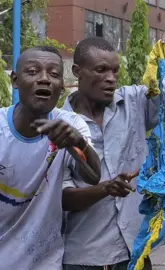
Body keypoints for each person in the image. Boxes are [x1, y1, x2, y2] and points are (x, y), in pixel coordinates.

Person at [61, 32, 165, 270]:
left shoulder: (135, 101)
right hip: (83, 258)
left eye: (115, 71)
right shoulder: (60, 127)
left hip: (135, 253)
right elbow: (63, 197)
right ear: (77, 72)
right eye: (101, 70)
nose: (110, 78)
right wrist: (105, 189)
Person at [0, 46, 101, 269]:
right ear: (15, 81)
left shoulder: (72, 125)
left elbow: (94, 176)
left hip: (44, 262)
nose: (44, 79)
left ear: (62, 87)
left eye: (54, 74)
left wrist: (77, 143)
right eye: (33, 71)